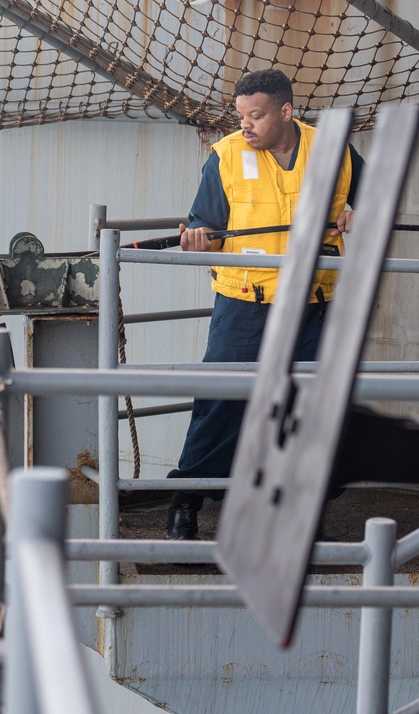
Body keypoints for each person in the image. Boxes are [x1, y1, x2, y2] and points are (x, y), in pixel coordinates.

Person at [165, 69, 367, 540]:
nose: (245, 126)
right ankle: (186, 504)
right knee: (220, 403)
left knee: (308, 409)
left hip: (315, 306)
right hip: (244, 307)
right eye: (240, 117)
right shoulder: (225, 157)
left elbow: (373, 196)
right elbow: (206, 226)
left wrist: (361, 212)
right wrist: (198, 241)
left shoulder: (333, 149)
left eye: (255, 116)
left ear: (286, 112)